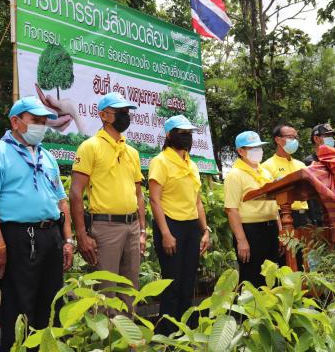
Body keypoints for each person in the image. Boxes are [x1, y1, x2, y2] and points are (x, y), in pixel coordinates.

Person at [0, 96, 73, 351]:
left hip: (51, 235)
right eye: (35, 121)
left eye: (44, 122)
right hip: (19, 237)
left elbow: (61, 200)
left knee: (50, 305)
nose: (41, 126)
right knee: (20, 308)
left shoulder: (47, 157)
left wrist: (68, 240)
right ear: (15, 122)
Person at [69, 92, 146, 315]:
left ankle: (129, 344)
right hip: (105, 228)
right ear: (104, 115)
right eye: (120, 111)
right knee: (106, 294)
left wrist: (142, 230)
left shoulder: (131, 151)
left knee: (129, 291)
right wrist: (82, 235)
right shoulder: (90, 147)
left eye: (127, 112)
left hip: (132, 227)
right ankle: (107, 345)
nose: (126, 115)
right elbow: (75, 193)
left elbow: (139, 194)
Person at [148, 115, 210, 335]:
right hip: (170, 226)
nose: (187, 137)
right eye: (182, 132)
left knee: (188, 284)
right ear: (169, 135)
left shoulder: (191, 164)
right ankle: (166, 336)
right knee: (171, 284)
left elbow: (197, 200)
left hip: (192, 228)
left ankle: (186, 334)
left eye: (189, 133)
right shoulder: (160, 161)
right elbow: (154, 199)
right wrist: (165, 233)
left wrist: (205, 230)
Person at [224, 131, 280, 287]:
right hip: (250, 231)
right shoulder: (235, 175)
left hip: (271, 227)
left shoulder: (265, 172)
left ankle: (271, 310)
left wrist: (280, 230)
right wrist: (242, 241)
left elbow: (274, 203)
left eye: (259, 147)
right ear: (241, 151)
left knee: (272, 276)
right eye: (252, 148)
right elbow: (231, 210)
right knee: (252, 277)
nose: (258, 151)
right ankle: (250, 311)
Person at [262, 123, 309, 269]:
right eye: (290, 137)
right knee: (287, 259)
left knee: (304, 259)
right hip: (284, 216)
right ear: (278, 140)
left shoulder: (301, 165)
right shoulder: (267, 166)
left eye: (296, 137)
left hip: (303, 216)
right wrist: (280, 226)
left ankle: (306, 290)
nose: (294, 140)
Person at [304, 123, 335, 227]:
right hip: (320, 216)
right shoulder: (309, 162)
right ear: (316, 139)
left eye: (332, 136)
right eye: (327, 136)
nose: (331, 139)